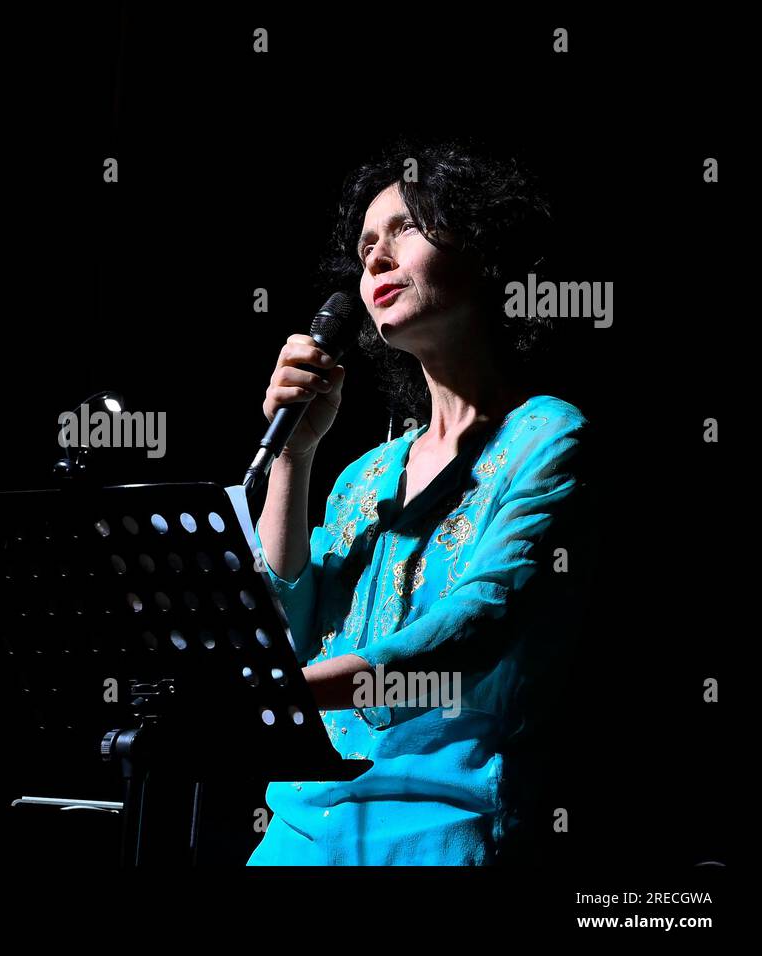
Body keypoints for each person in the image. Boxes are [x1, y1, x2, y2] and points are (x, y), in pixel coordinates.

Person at [247, 140, 595, 865]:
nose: (374, 257)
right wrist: (294, 455)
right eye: (365, 243)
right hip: (299, 826)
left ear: (482, 249)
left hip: (437, 824)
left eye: (404, 228)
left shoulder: (547, 436)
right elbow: (290, 626)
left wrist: (258, 700)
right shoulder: (364, 475)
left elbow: (472, 629)